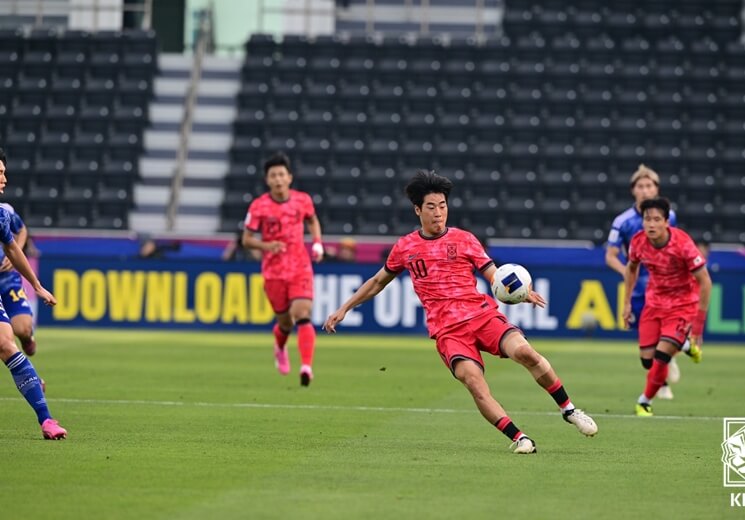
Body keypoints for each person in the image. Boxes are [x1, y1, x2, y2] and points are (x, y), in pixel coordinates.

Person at [324, 170, 598, 454]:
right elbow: (378, 281)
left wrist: (520, 291)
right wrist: (345, 307)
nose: (438, 213)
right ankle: (520, 438)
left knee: (526, 353)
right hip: (448, 332)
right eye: (431, 207)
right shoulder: (405, 247)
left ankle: (569, 409)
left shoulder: (465, 239)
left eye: (442, 206)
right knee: (474, 382)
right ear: (418, 210)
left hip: (483, 317)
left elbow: (494, 275)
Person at [242, 152, 324, 386]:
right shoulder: (259, 206)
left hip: (300, 267)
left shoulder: (302, 200)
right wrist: (266, 245)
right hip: (274, 272)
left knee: (303, 314)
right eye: (273, 176)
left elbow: (312, 220)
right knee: (286, 323)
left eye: (281, 174)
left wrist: (317, 242)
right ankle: (279, 347)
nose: (278, 179)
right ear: (267, 180)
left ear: (289, 177)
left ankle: (306, 366)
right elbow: (246, 239)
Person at [0, 148, 66, 439]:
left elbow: (13, 246)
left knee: (10, 339)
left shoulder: (3, 214)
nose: (4, 178)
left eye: (4, 171)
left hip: (5, 279)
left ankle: (47, 421)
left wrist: (37, 286)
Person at [605, 164, 685, 400]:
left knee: (668, 332)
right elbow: (610, 256)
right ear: (633, 190)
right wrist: (627, 272)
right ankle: (662, 377)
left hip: (665, 285)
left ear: (657, 189)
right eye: (640, 186)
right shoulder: (623, 221)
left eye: (649, 185)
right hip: (639, 290)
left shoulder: (669, 216)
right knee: (648, 347)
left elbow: (676, 246)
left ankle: (664, 375)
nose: (645, 190)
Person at [623, 197, 708, 417]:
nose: (651, 224)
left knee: (662, 357)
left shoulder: (683, 244)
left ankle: (644, 402)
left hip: (682, 306)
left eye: (656, 219)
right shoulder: (638, 242)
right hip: (654, 305)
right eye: (647, 219)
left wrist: (698, 325)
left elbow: (705, 281)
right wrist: (626, 303)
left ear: (667, 222)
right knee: (647, 361)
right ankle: (686, 347)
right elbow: (631, 268)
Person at [0, 203, 38, 356]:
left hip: (6, 278)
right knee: (4, 340)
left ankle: (27, 338)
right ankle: (29, 378)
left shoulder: (4, 211)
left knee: (23, 329)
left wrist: (18, 249)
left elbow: (21, 230)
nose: (4, 180)